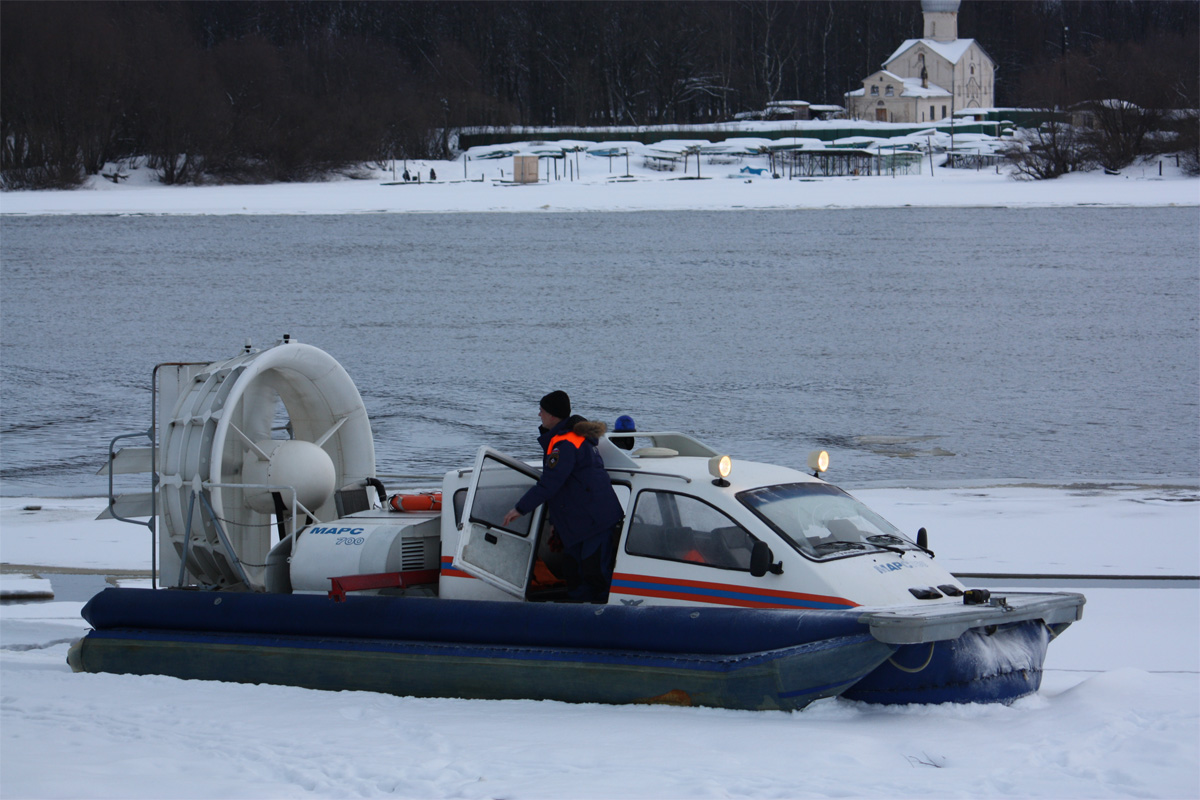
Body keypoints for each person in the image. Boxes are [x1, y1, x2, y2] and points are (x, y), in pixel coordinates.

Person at [502, 390, 623, 602]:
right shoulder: (570, 438)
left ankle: (600, 614)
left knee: (593, 572)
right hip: (582, 519)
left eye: (542, 411)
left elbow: (551, 483)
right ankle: (579, 614)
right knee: (574, 571)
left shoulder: (564, 443)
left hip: (593, 520)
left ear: (553, 415)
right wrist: (556, 523)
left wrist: (520, 509)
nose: (539, 415)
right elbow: (566, 487)